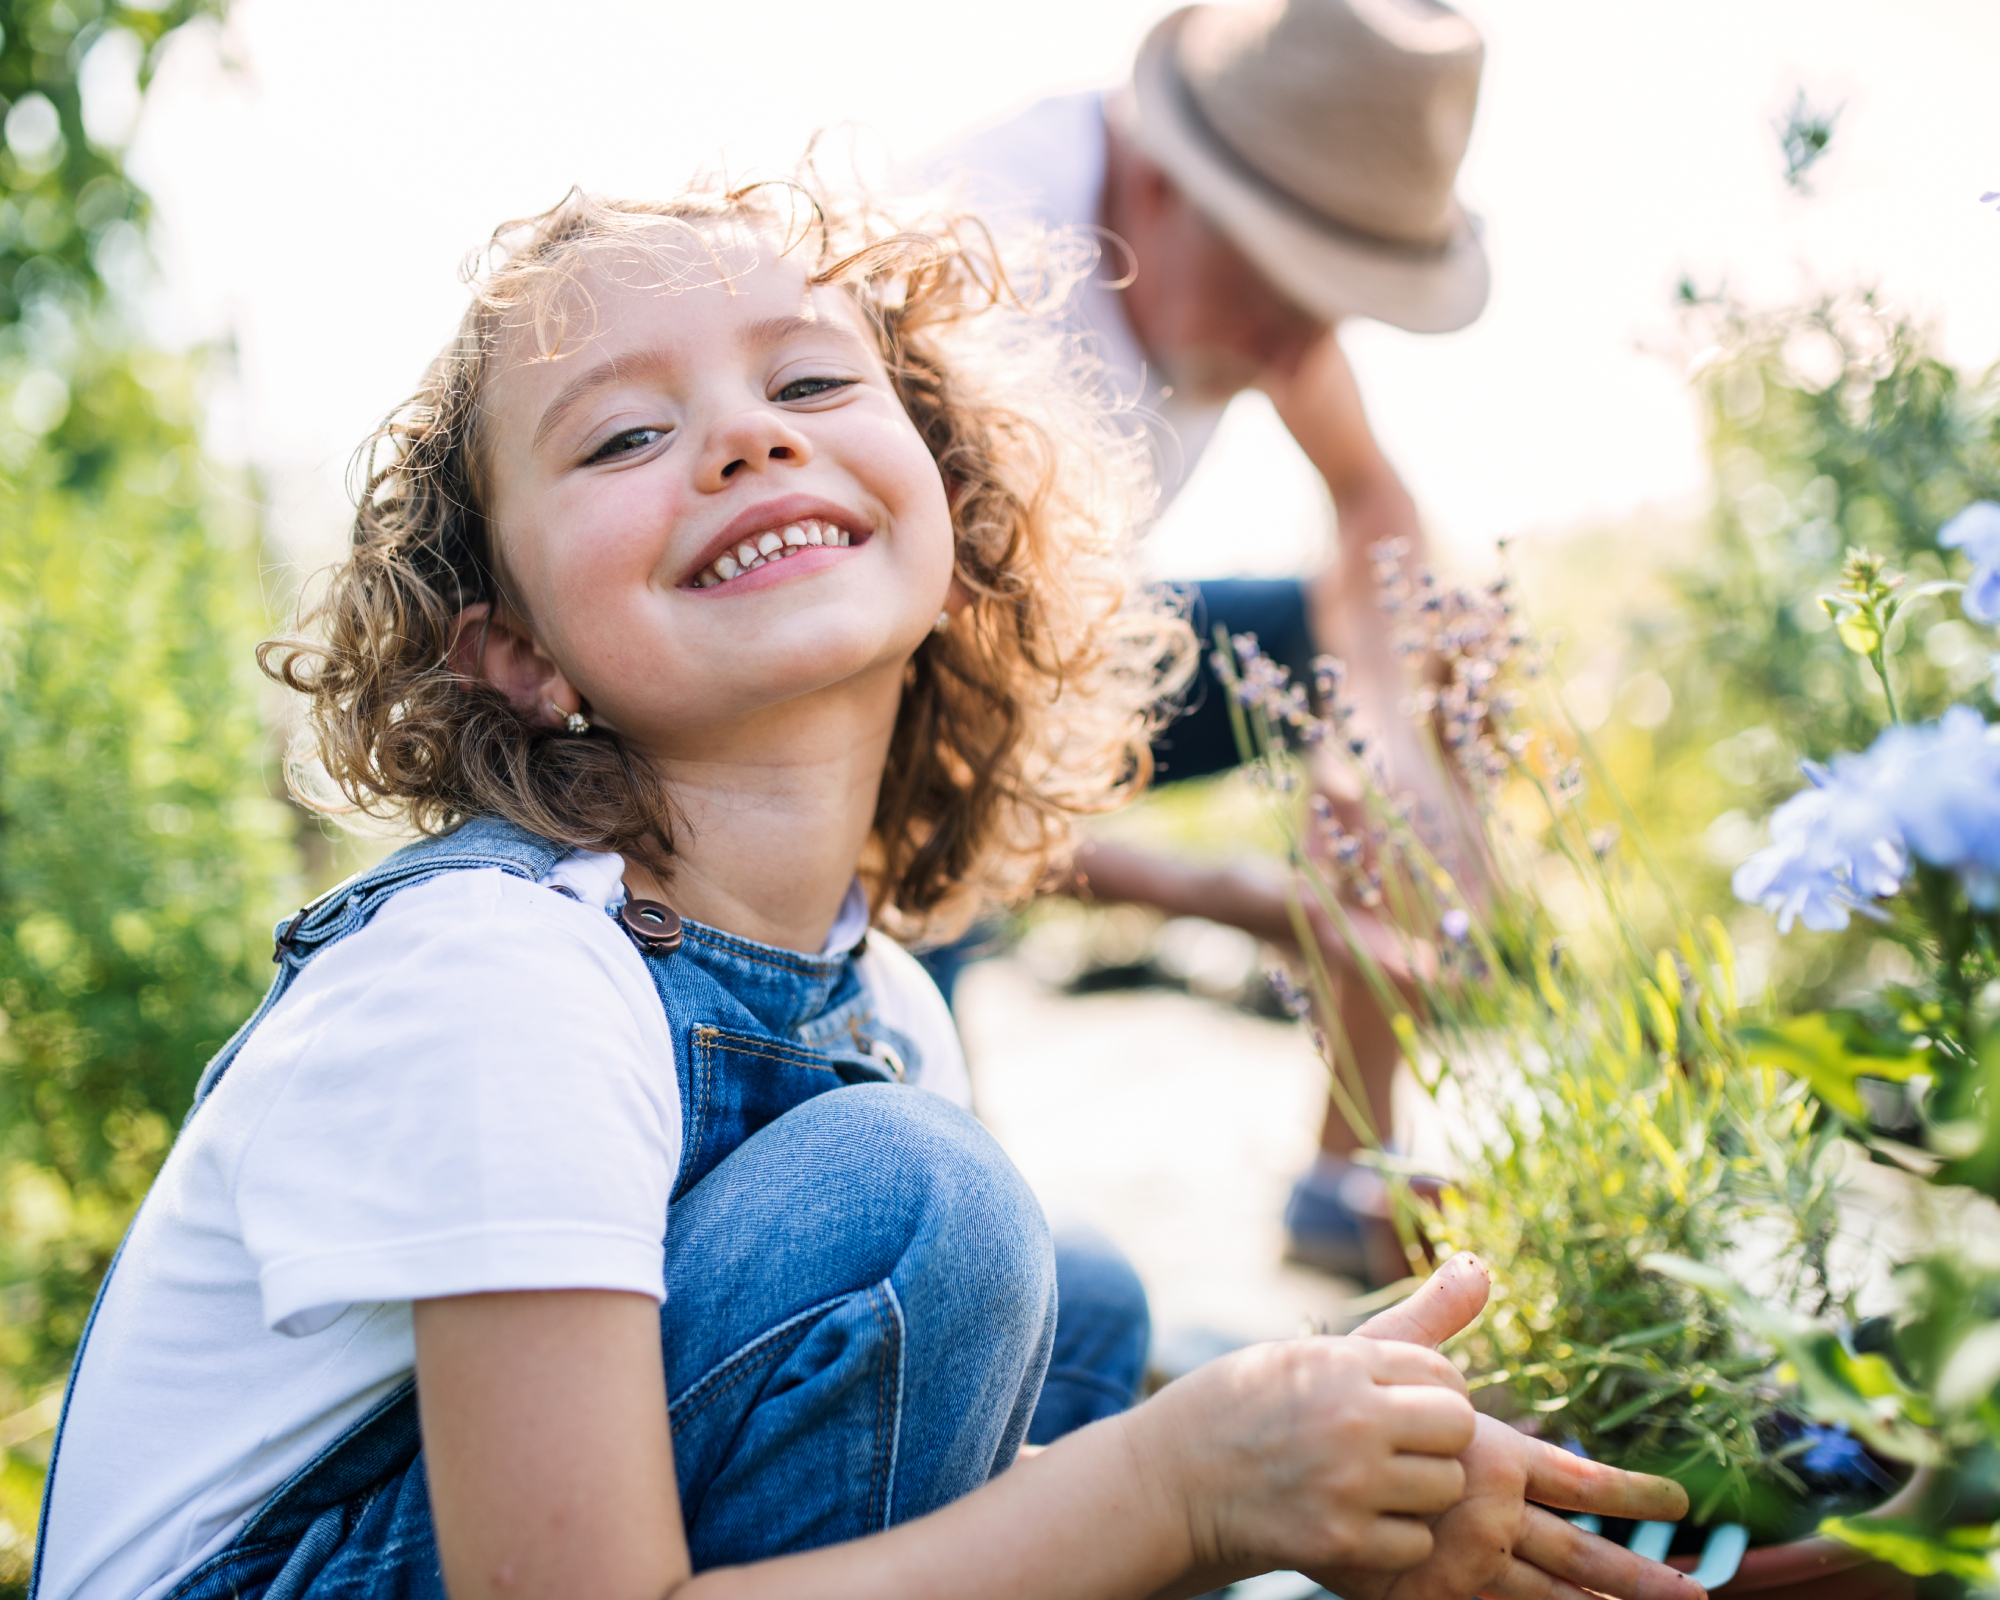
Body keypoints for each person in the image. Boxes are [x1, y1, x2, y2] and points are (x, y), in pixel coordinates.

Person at [28, 181, 1699, 1600]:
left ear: (952, 513)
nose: (747, 437)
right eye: (624, 433)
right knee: (922, 1225)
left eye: (814, 386)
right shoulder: (501, 975)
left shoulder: (879, 997)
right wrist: (1181, 1491)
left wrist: (1305, 1479)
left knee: (1075, 1307)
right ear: (519, 655)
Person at [918, 0, 1490, 1286]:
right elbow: (899, 774)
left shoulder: (1247, 279)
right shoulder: (975, 298)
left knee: (1432, 635)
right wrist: (1236, 901)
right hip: (887, 751)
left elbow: (1374, 506)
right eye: (1284, 288)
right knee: (960, 1244)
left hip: (1054, 659)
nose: (1299, 348)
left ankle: (1347, 1171)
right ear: (1165, 181)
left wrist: (1376, 747)